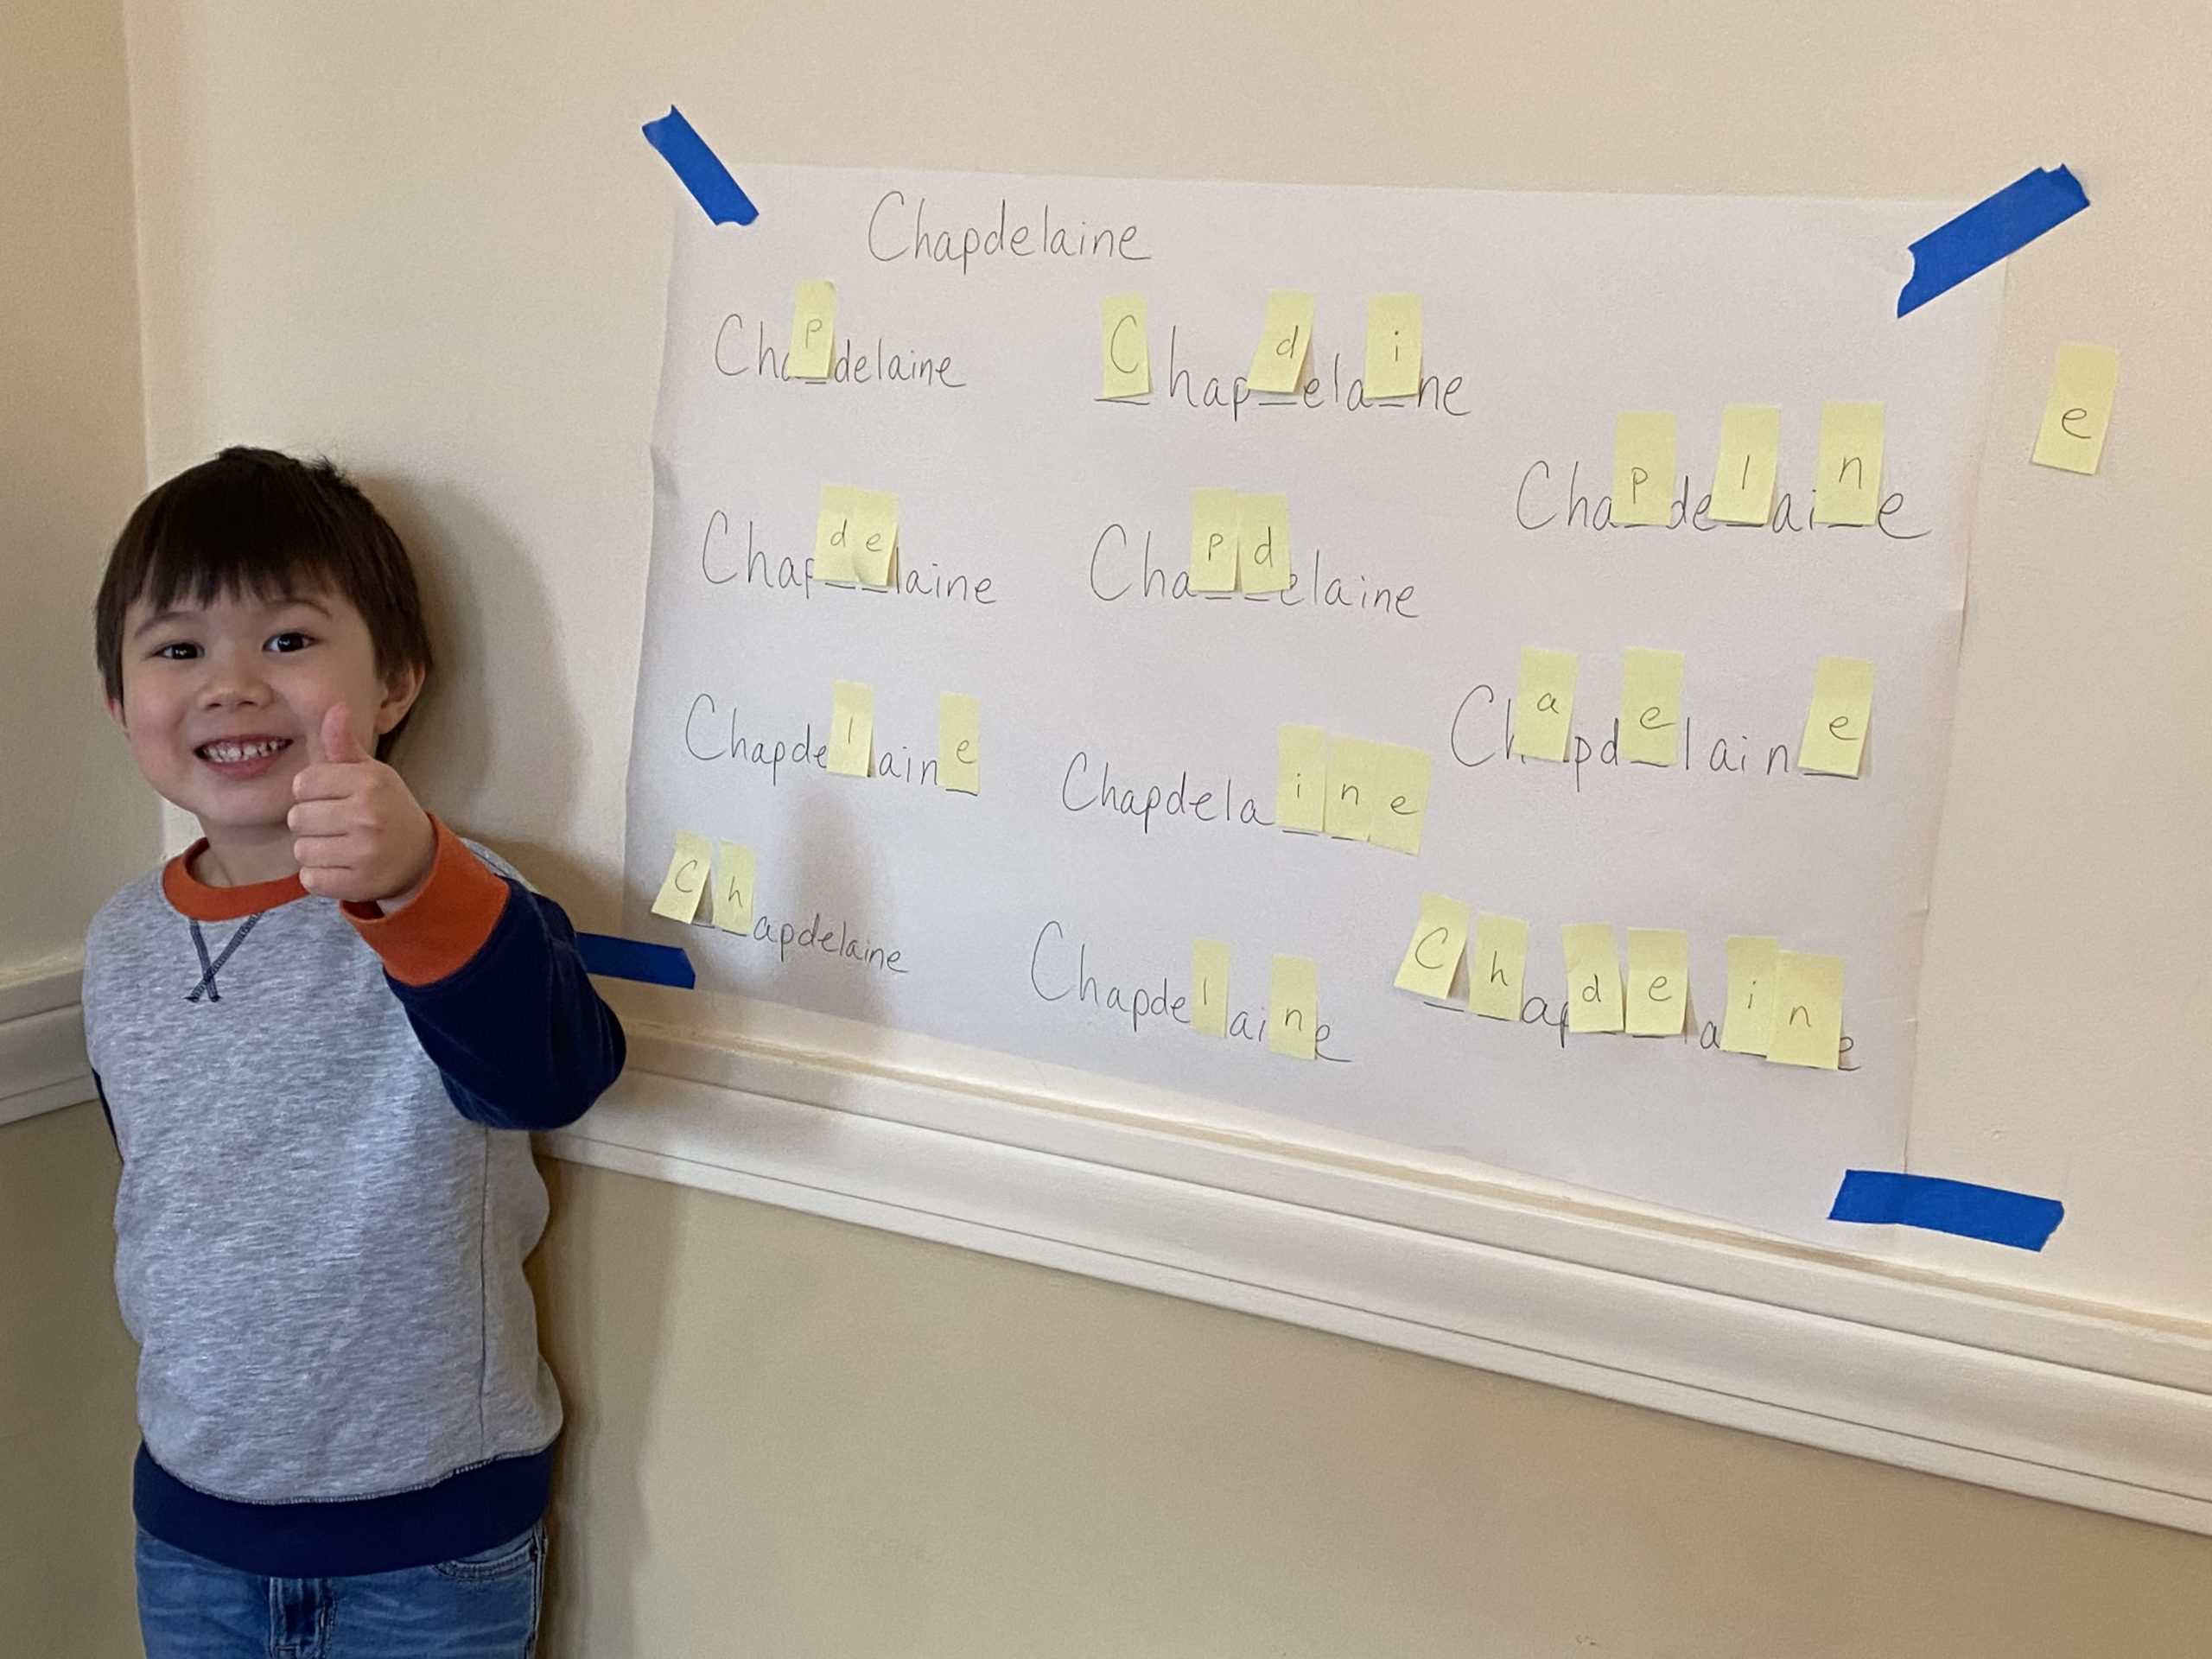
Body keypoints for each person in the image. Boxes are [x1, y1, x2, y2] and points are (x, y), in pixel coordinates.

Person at [81, 446, 626, 1658]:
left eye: (286, 641)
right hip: (192, 1526)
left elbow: (553, 1077)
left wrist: (418, 884)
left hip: (432, 1539)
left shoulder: (462, 890)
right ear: (123, 705)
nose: (229, 685)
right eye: (177, 650)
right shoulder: (121, 941)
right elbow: (164, 1190)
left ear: (396, 682)